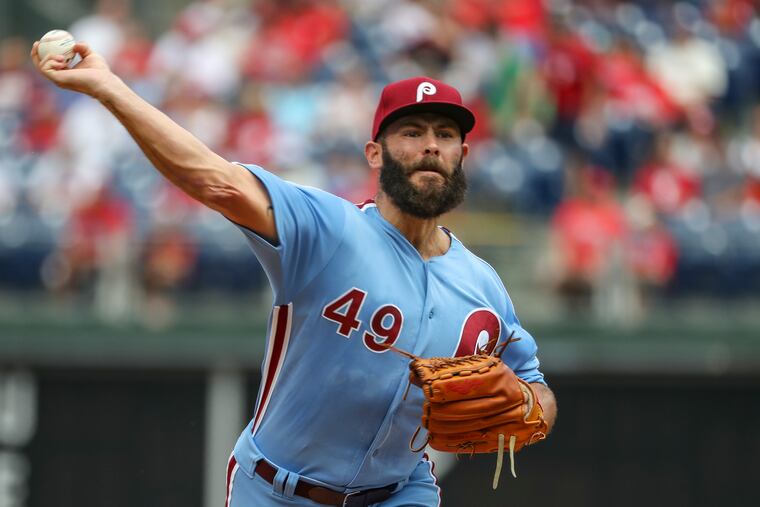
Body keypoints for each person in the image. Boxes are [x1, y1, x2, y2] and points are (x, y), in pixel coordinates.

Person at [32, 40, 557, 506]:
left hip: (401, 493)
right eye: (411, 131)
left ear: (462, 155)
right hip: (278, 489)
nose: (430, 145)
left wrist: (531, 408)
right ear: (374, 154)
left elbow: (537, 392)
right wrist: (109, 88)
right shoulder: (327, 229)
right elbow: (216, 181)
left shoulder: (483, 285)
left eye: (445, 134)